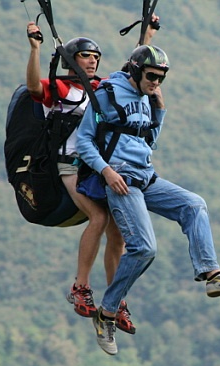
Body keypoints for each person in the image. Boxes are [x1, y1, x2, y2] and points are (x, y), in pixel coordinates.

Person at [76, 45, 220, 355]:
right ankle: (107, 313)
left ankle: (212, 276)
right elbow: (84, 140)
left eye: (161, 78)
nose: (156, 82)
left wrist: (159, 110)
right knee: (144, 248)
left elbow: (149, 141)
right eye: (152, 76)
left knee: (194, 205)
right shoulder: (108, 94)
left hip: (145, 176)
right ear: (136, 71)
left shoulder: (147, 97)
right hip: (121, 181)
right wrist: (106, 172)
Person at [25, 19, 160, 334]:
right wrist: (35, 49)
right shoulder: (62, 90)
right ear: (72, 61)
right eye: (86, 56)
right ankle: (80, 287)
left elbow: (133, 70)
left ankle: (116, 300)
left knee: (119, 232)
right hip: (71, 164)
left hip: (98, 166)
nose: (92, 61)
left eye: (96, 57)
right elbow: (33, 88)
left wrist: (147, 36)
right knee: (98, 218)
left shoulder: (101, 90)